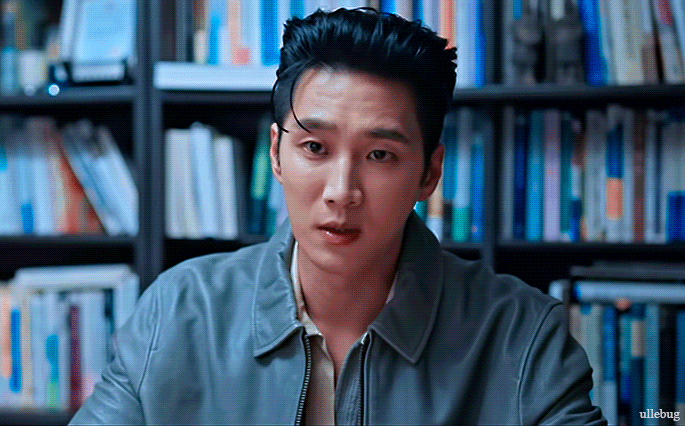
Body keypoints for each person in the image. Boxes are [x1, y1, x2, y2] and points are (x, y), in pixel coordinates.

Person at [70, 8, 606, 425]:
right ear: (276, 154)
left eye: (380, 155)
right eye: (315, 148)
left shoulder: (521, 336)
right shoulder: (178, 311)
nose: (341, 192)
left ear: (428, 173)